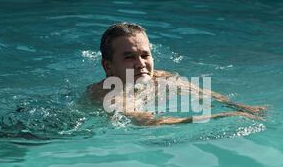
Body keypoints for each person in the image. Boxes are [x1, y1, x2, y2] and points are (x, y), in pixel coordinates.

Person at [86, 22, 267, 126]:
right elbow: (150, 123)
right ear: (108, 67)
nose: (140, 64)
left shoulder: (158, 76)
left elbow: (200, 92)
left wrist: (240, 106)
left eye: (144, 55)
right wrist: (219, 117)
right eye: (129, 57)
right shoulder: (112, 97)